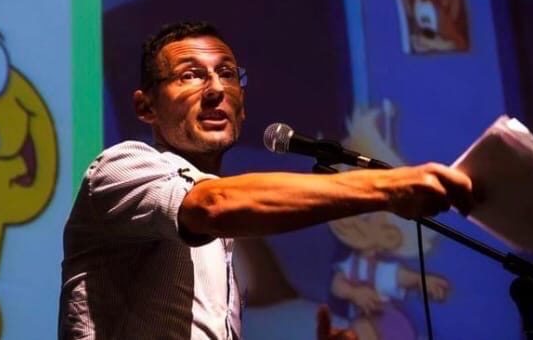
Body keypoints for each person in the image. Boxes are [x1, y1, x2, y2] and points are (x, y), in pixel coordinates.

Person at [59, 21, 473, 340]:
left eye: (227, 74)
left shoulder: (223, 240)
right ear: (145, 106)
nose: (215, 89)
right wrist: (386, 187)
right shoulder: (121, 167)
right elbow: (213, 204)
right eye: (190, 75)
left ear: (242, 105)